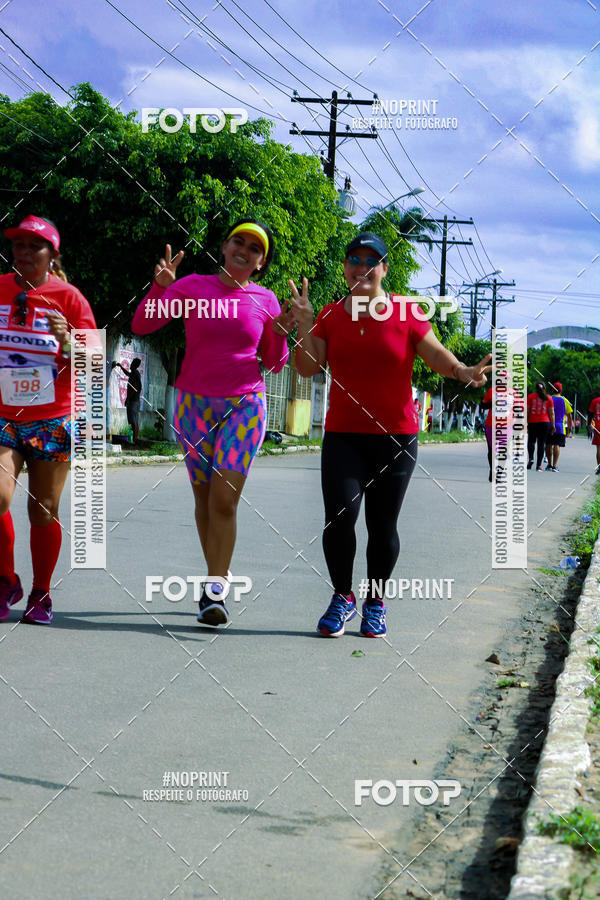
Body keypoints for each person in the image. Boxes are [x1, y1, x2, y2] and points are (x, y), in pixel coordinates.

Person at [290, 232, 491, 638]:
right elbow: (308, 367)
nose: (362, 268)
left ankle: (375, 603)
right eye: (354, 260)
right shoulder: (330, 315)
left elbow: (434, 352)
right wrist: (306, 325)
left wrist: (461, 370)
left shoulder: (406, 312)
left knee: (382, 526)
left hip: (395, 438)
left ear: (384, 269)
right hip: (344, 435)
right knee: (339, 518)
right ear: (345, 267)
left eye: (372, 261)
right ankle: (342, 596)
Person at [131, 219, 295, 626]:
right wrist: (160, 289)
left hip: (244, 405)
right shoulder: (192, 288)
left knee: (224, 500)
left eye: (255, 249)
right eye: (239, 241)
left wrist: (280, 333)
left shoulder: (266, 299)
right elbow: (142, 325)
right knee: (204, 500)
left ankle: (215, 589)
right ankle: (215, 577)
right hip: (193, 406)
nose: (244, 251)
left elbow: (274, 363)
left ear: (261, 263)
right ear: (224, 247)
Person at [0, 215, 97, 624]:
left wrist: (68, 341)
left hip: (52, 419)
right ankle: (6, 579)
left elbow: (93, 362)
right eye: (18, 244)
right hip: (4, 415)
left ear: (52, 255)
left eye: (33, 246)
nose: (24, 252)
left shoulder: (69, 298)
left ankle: (41, 593)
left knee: (43, 510)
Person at [527, 382, 555, 471]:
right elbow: (551, 413)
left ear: (536, 388)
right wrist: (553, 425)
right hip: (544, 423)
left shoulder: (530, 397)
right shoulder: (549, 398)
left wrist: (526, 422)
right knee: (541, 443)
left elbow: (527, 411)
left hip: (532, 422)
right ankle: (538, 465)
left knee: (531, 441)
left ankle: (531, 458)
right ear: (544, 388)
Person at [113, 357, 142, 443]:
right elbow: (128, 374)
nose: (131, 364)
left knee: (133, 421)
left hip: (133, 401)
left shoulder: (135, 374)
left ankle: (134, 441)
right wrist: (121, 367)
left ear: (135, 365)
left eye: (132, 363)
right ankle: (135, 440)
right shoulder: (135, 373)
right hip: (136, 400)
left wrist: (127, 398)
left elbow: (134, 388)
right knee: (135, 421)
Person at [545, 381, 572, 471]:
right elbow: (569, 416)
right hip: (560, 426)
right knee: (557, 445)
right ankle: (555, 465)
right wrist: (570, 428)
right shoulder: (565, 400)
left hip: (549, 425)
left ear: (553, 389)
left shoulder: (549, 399)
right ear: (561, 390)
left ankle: (549, 464)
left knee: (548, 444)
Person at [588, 394, 600, 474]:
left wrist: (589, 424)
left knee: (599, 448)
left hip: (598, 427)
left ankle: (599, 467)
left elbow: (590, 414)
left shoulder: (595, 401)